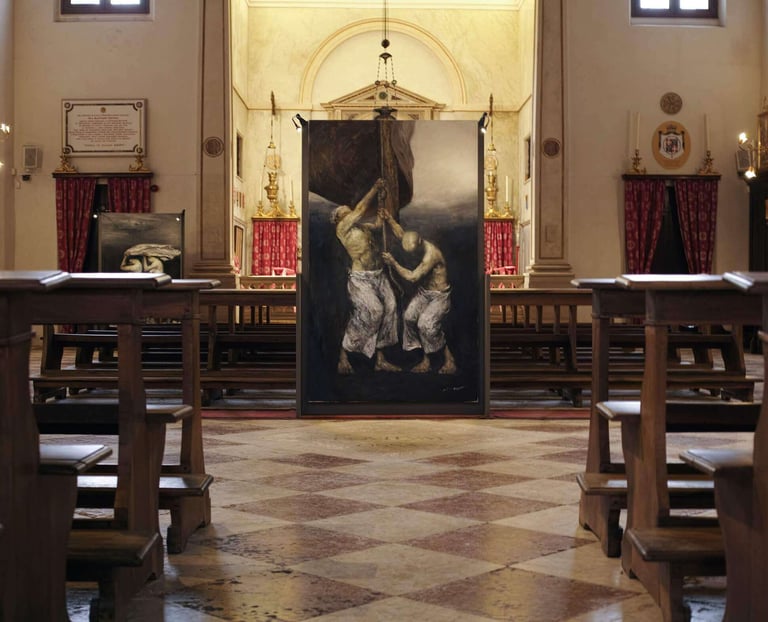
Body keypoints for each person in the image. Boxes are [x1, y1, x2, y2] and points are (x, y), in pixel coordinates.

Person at [332, 178, 400, 374]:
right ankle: (344, 355)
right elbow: (360, 210)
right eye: (346, 212)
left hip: (378, 275)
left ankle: (380, 360)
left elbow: (377, 225)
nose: (350, 213)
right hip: (361, 279)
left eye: (349, 211)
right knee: (374, 311)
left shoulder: (361, 228)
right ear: (339, 218)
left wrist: (381, 203)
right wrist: (374, 188)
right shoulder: (342, 229)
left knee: (390, 308)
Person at [380, 210, 456, 374]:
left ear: (420, 242)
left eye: (414, 251)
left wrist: (393, 263)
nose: (413, 255)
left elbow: (413, 277)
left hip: (439, 296)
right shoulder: (412, 239)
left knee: (425, 325)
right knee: (409, 317)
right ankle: (425, 358)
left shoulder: (431, 255)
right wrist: (389, 219)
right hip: (424, 293)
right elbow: (401, 234)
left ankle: (449, 359)